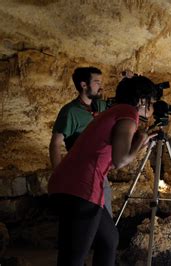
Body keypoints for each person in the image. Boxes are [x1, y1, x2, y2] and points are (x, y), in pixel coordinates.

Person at [48, 76, 157, 266]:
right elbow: (121, 160)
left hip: (66, 183)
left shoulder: (113, 112)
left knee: (109, 239)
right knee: (73, 259)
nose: (152, 108)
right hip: (82, 188)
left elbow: (109, 160)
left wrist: (138, 144)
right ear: (141, 101)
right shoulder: (129, 114)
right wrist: (140, 140)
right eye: (151, 103)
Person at [49, 67, 113, 216]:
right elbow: (55, 144)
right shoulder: (70, 112)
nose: (101, 86)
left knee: (106, 219)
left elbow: (123, 105)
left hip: (101, 174)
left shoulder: (101, 106)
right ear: (84, 85)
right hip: (81, 176)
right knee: (88, 220)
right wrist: (59, 175)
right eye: (97, 82)